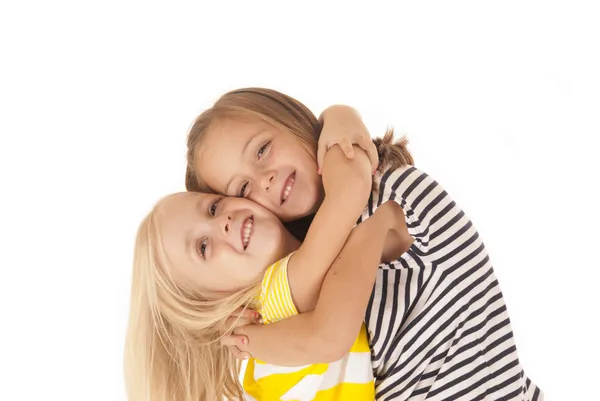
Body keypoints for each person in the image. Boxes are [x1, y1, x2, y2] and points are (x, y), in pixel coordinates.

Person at [184, 87, 543, 400]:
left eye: (262, 150)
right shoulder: (317, 252)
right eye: (242, 189)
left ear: (293, 121)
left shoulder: (389, 197)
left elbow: (327, 336)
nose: (265, 180)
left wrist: (249, 340)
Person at [124, 153, 409, 400]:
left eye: (213, 208)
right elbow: (349, 193)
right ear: (211, 301)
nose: (221, 223)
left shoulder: (264, 340)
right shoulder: (276, 300)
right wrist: (338, 118)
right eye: (203, 247)